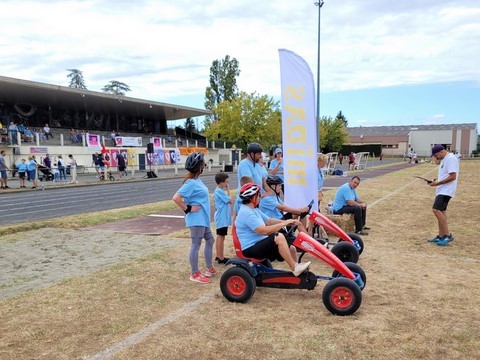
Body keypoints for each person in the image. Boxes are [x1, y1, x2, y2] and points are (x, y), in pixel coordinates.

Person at [235, 183, 311, 277]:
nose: (260, 197)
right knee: (279, 237)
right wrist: (282, 223)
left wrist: (287, 221)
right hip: (251, 248)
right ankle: (295, 267)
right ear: (253, 198)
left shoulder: (253, 210)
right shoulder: (246, 213)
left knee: (291, 248)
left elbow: (269, 221)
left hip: (259, 243)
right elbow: (264, 231)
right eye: (258, 195)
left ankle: (299, 273)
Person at [172, 152, 216, 284]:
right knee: (195, 245)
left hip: (203, 219)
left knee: (210, 240)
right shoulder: (190, 183)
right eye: (203, 164)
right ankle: (195, 273)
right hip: (196, 219)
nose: (205, 165)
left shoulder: (197, 180)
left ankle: (209, 268)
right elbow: (176, 198)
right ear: (200, 166)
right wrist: (188, 209)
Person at [427, 144, 460, 246]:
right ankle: (441, 235)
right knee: (441, 211)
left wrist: (437, 183)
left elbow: (453, 176)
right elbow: (445, 175)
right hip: (442, 189)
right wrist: (435, 180)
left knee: (436, 210)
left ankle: (447, 235)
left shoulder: (450, 159)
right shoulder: (445, 159)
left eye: (437, 155)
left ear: (441, 151)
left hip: (446, 190)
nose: (436, 157)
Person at [213, 172, 233, 264]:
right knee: (221, 237)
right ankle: (221, 257)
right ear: (221, 182)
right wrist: (228, 189)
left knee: (220, 237)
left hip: (221, 217)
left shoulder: (218, 191)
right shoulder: (219, 192)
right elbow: (230, 200)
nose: (227, 183)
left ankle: (218, 255)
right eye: (226, 182)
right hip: (222, 218)